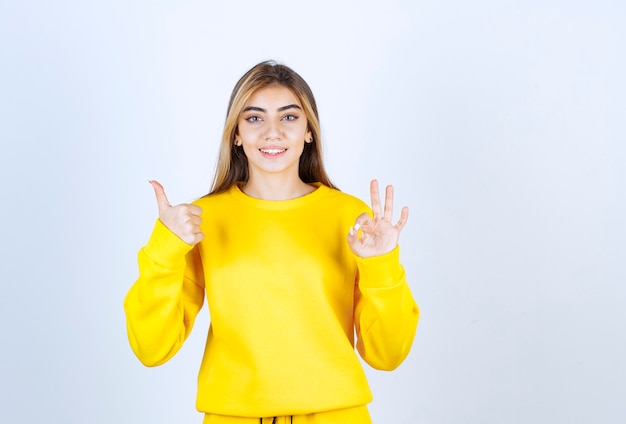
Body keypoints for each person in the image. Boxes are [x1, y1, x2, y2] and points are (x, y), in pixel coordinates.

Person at [124, 60, 419, 424]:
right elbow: (152, 348)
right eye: (254, 118)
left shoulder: (352, 218)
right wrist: (164, 248)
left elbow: (387, 355)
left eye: (289, 117)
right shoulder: (201, 219)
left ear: (309, 131)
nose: (272, 132)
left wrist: (383, 264)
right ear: (236, 134)